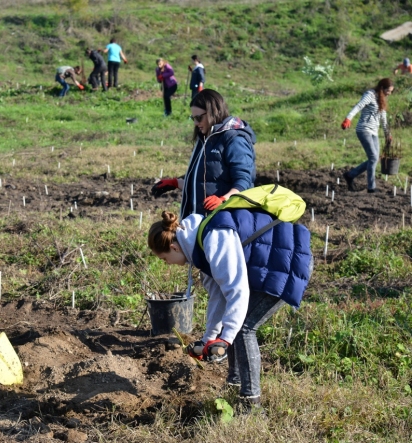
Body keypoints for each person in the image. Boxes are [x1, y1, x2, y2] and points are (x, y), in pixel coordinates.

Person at [148, 210, 312, 412]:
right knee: (235, 323)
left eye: (165, 259)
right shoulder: (199, 247)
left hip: (287, 262)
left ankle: (251, 404)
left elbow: (236, 290)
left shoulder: (214, 239)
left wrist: (225, 340)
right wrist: (209, 339)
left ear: (173, 247)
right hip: (274, 260)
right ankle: (234, 385)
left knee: (243, 327)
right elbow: (219, 296)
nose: (168, 264)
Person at [151, 89, 256, 218]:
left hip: (225, 223)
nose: (195, 123)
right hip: (202, 221)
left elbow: (244, 181)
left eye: (199, 118)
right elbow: (204, 183)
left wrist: (224, 199)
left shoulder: (234, 139)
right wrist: (176, 183)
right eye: (193, 118)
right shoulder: (206, 139)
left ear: (213, 112)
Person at [342, 78, 394, 193]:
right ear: (382, 88)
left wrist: (387, 135)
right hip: (364, 129)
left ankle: (350, 175)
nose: (389, 93)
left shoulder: (382, 101)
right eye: (388, 91)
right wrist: (348, 118)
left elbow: (383, 120)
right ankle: (371, 187)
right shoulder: (370, 94)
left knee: (375, 159)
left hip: (374, 132)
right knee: (374, 158)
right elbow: (359, 106)